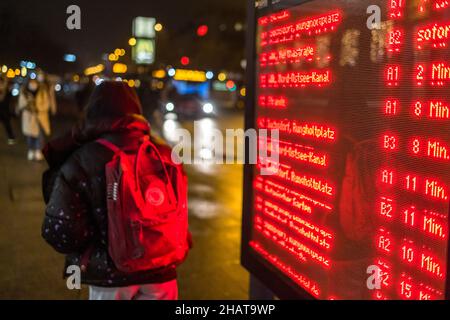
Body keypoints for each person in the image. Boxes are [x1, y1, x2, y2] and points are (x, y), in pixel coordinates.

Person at [41, 81, 188, 300]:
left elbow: (61, 233)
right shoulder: (163, 153)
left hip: (110, 279)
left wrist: (99, 244)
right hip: (162, 272)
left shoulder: (82, 160)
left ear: (93, 109)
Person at [17, 79, 53, 161]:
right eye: (31, 83)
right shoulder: (24, 92)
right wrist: (28, 106)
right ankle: (31, 150)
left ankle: (38, 151)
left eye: (34, 83)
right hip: (29, 118)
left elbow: (47, 104)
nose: (33, 85)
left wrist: (38, 108)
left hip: (40, 118)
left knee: (40, 136)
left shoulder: (42, 92)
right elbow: (21, 104)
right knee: (30, 136)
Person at [0, 76, 16, 145]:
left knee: (7, 126)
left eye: (1, 82)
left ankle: (11, 138)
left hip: (5, 112)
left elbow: (9, 97)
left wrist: (7, 82)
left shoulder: (7, 90)